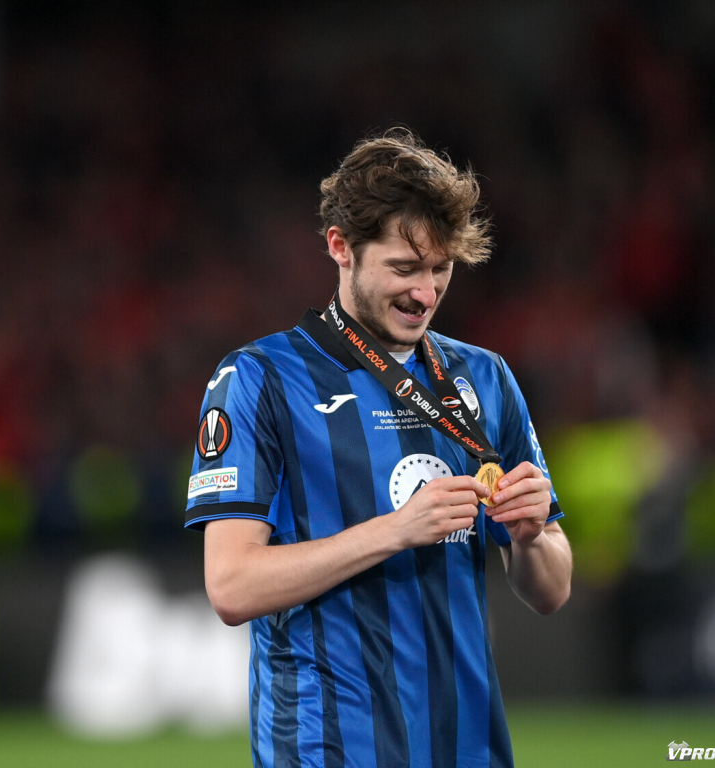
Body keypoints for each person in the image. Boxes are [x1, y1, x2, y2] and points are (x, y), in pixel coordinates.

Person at [184, 128, 572, 768]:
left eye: (441, 269)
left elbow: (550, 590)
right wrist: (396, 530)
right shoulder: (258, 379)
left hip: (467, 748)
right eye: (404, 268)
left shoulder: (484, 378)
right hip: (327, 749)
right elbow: (231, 586)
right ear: (341, 247)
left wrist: (532, 537)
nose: (426, 294)